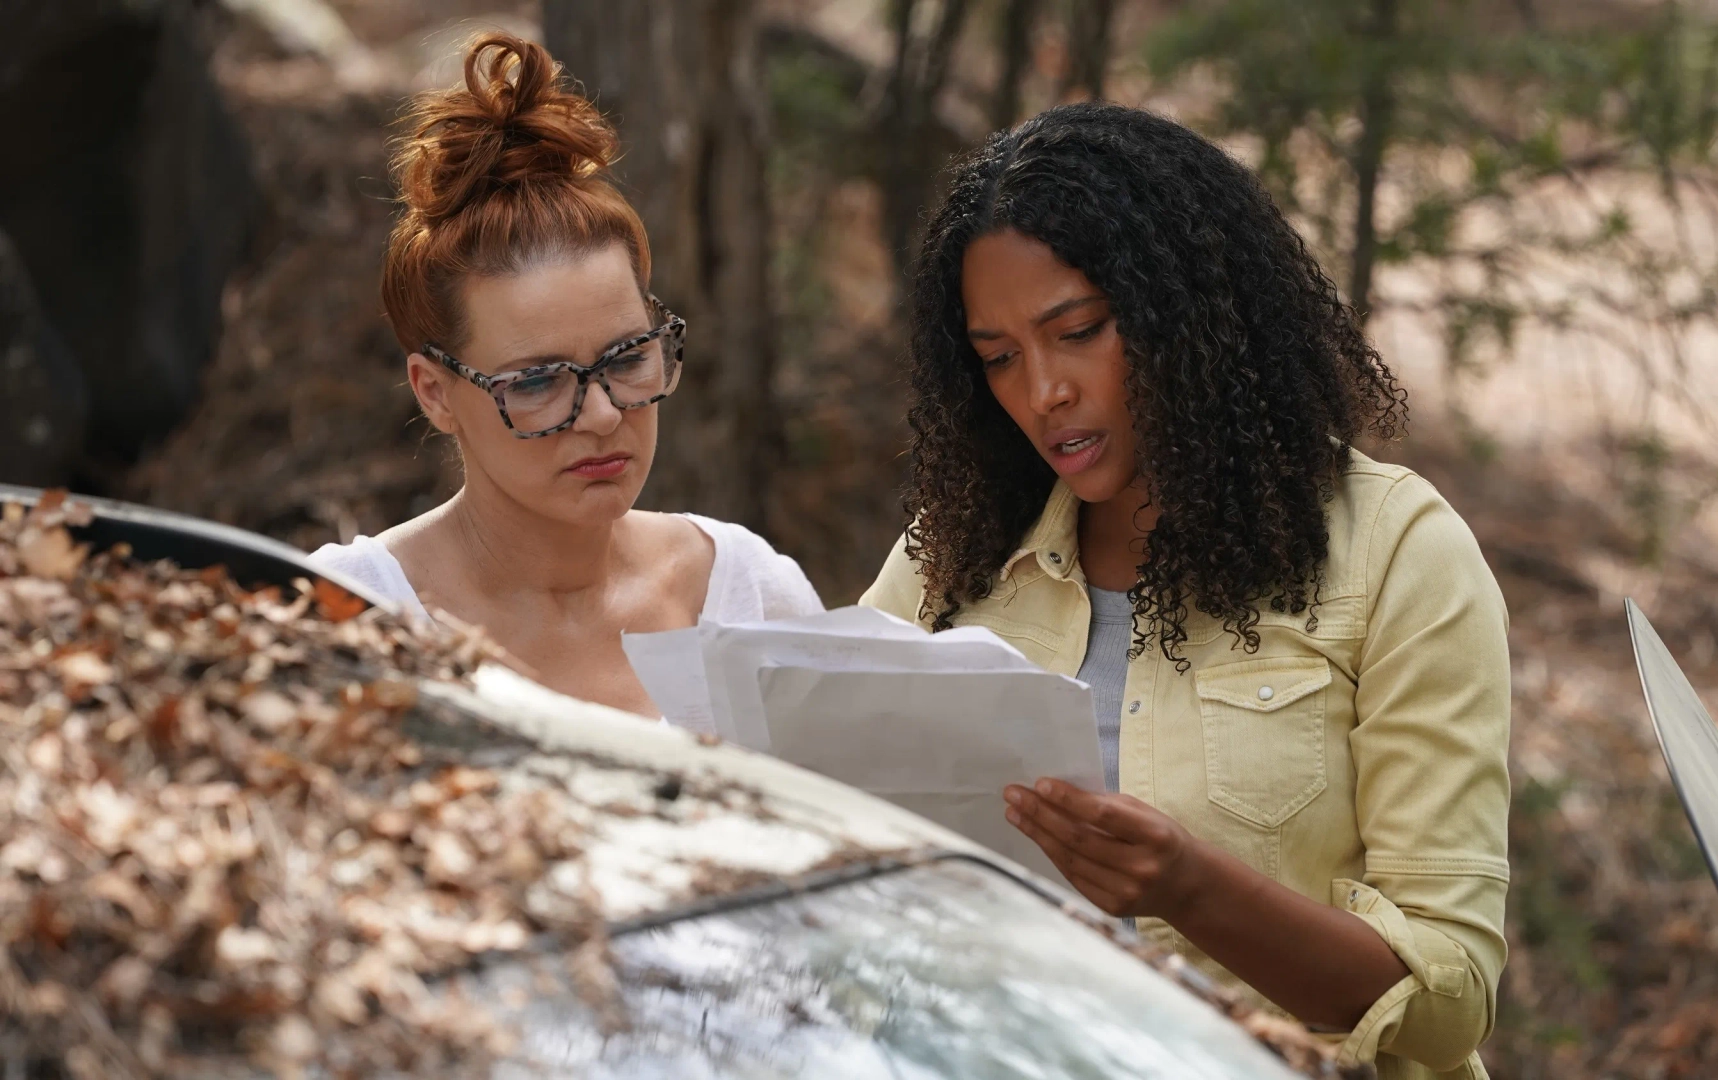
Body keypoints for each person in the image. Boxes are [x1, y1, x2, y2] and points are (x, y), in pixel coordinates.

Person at [860, 103, 1511, 1080]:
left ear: (1189, 313)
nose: (1043, 392)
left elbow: (1449, 1001)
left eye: (1077, 331)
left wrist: (1191, 888)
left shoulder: (1396, 555)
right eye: (998, 358)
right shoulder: (954, 556)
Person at [312, 34, 820, 716]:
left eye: (627, 358)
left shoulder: (743, 592)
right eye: (535, 382)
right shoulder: (350, 615)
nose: (604, 415)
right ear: (434, 391)